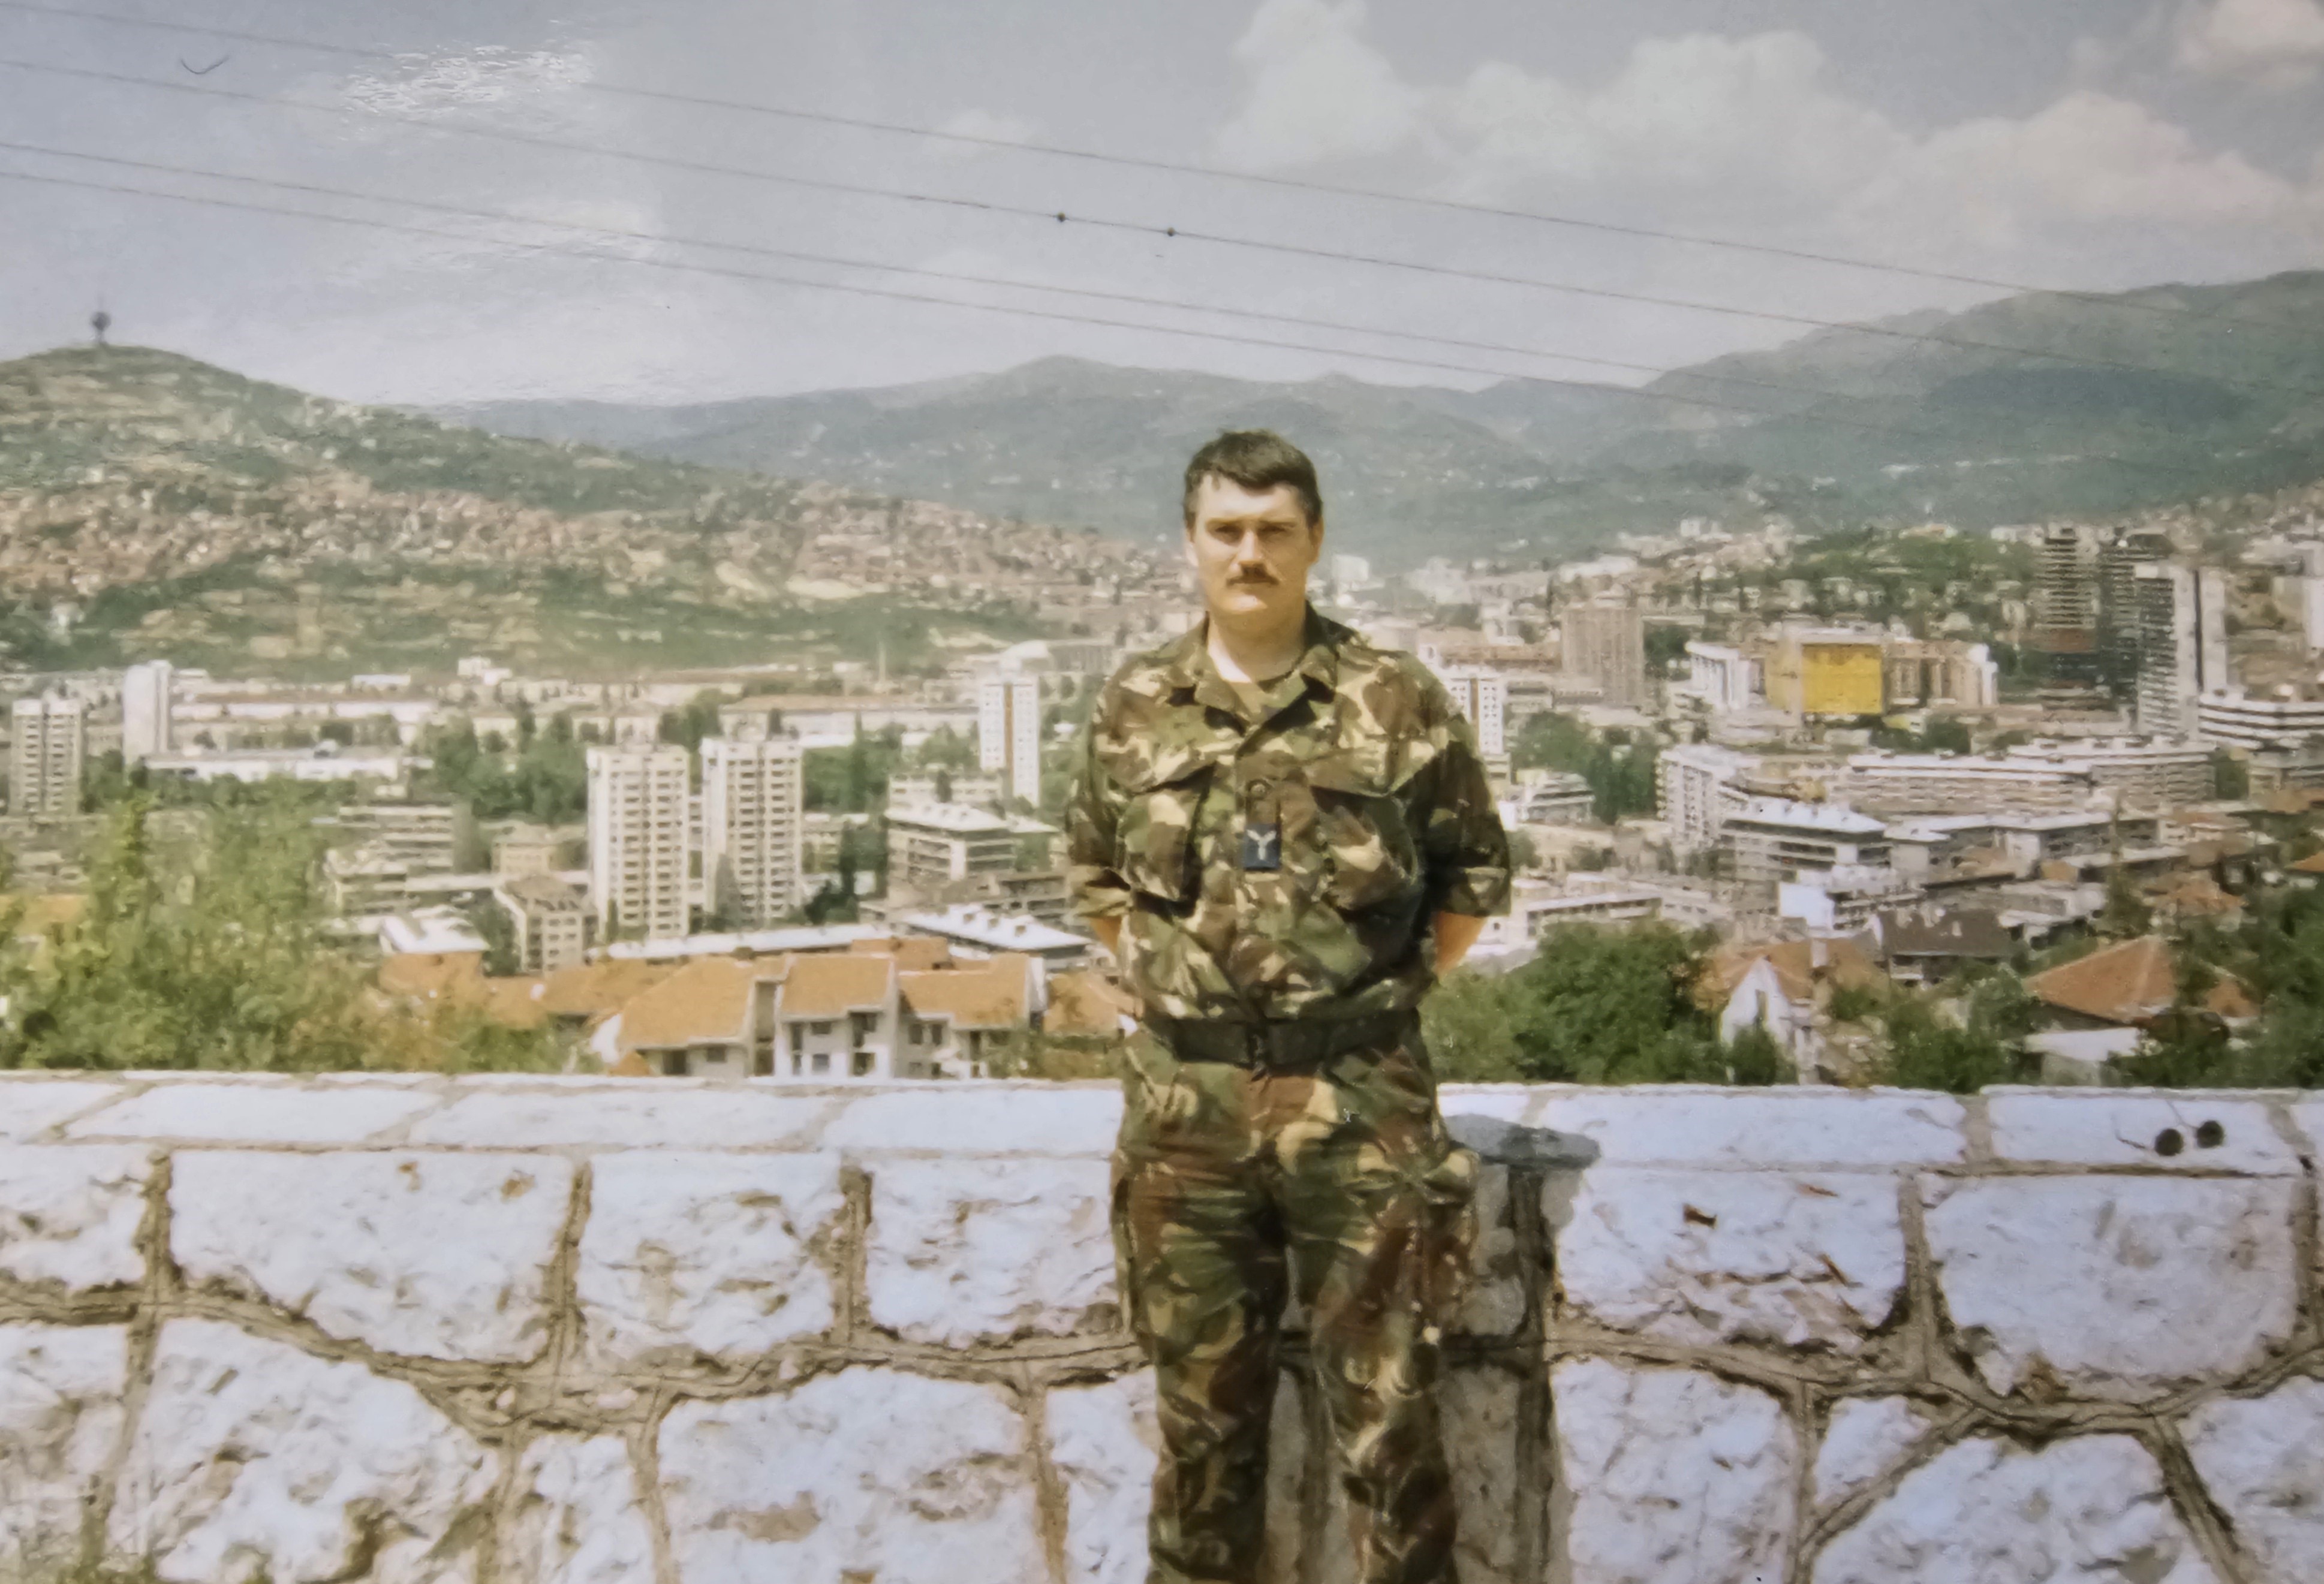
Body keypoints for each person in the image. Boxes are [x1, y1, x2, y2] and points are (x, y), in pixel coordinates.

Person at [1065, 429, 1512, 1584]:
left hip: (1363, 1108)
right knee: (1201, 1437)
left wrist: (1356, 1006)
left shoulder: (1391, 696)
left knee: (1392, 1431)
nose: (1250, 553)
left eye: (1274, 530)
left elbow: (1470, 879)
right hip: (1186, 1117)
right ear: (1191, 543)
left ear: (1315, 540)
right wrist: (1195, 1003)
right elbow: (1096, 879)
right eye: (1228, 530)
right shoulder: (1134, 703)